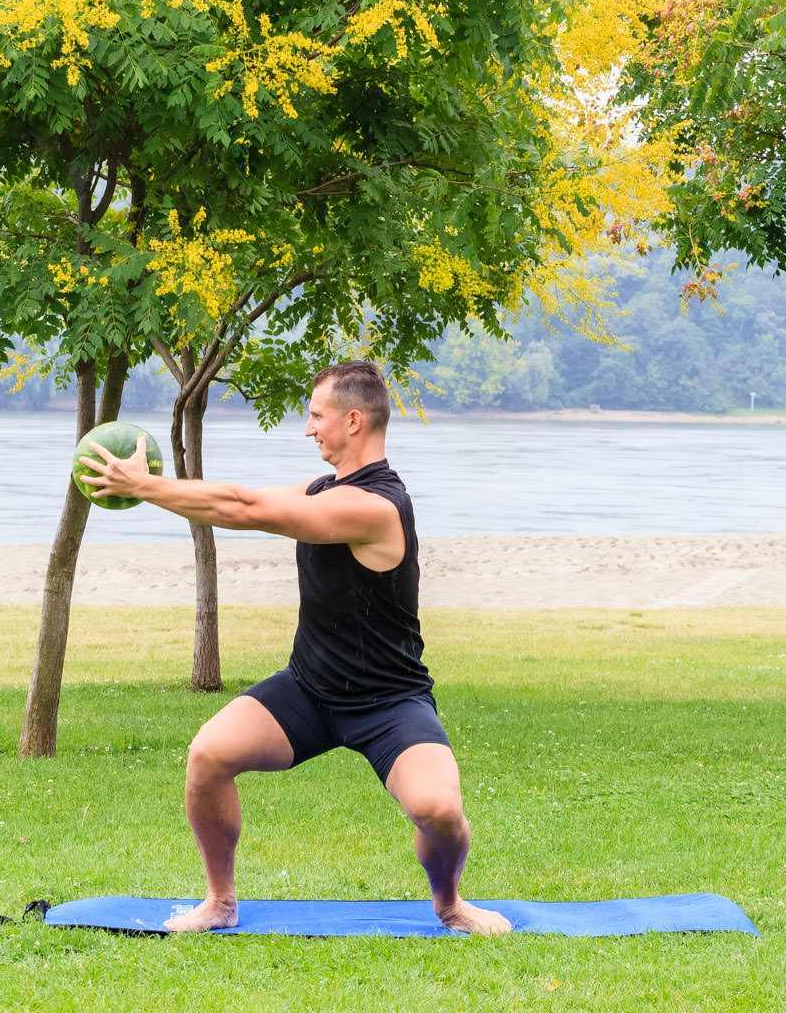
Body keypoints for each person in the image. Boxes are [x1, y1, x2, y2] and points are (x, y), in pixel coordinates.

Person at [77, 360, 510, 936]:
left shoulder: (377, 508)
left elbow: (250, 512)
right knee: (208, 757)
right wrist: (156, 489)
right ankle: (220, 901)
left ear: (353, 421)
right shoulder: (325, 489)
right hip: (309, 689)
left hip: (388, 703)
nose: (308, 429)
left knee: (438, 811)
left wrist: (145, 487)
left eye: (316, 415)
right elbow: (238, 496)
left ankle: (451, 904)